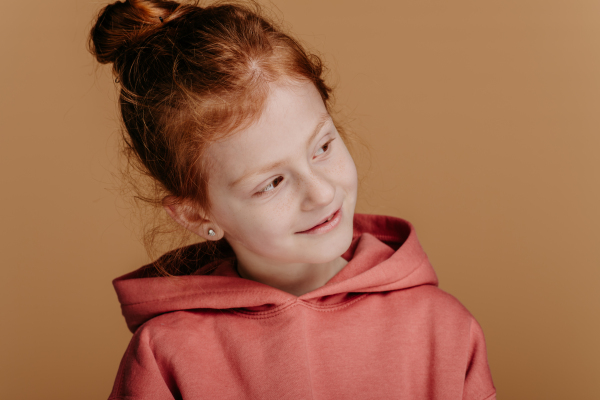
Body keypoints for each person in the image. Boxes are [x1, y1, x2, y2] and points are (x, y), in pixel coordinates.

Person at [89, 1, 496, 399]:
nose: (321, 192)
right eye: (271, 183)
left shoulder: (443, 328)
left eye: (321, 147)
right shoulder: (164, 355)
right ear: (198, 215)